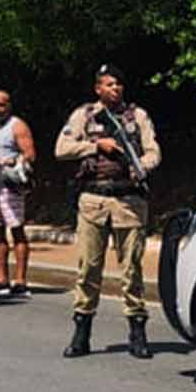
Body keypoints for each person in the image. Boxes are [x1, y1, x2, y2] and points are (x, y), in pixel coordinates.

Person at [54, 62, 162, 359]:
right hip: (93, 200)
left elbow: (154, 151)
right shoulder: (84, 116)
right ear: (98, 88)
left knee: (132, 270)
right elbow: (61, 148)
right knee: (88, 268)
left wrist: (141, 166)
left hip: (129, 201)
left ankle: (137, 332)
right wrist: (95, 145)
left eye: (119, 85)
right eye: (109, 84)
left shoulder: (136, 116)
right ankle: (81, 332)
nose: (115, 89)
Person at [0, 90, 37, 296]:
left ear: (9, 106)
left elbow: (30, 154)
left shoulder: (17, 126)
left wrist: (13, 161)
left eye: (1, 105)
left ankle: (20, 280)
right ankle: (1, 277)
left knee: (16, 230)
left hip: (10, 185)